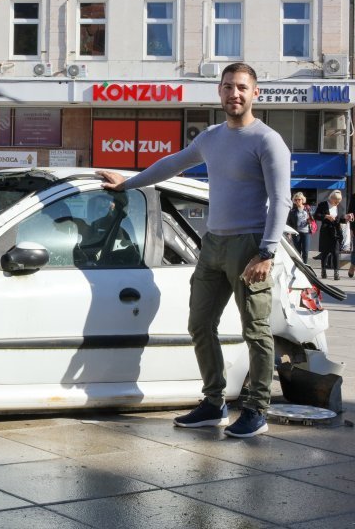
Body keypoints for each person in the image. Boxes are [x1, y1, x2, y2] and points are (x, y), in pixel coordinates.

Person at [97, 62, 291, 438]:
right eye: (228, 87)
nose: (234, 94)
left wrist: (266, 253)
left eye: (242, 88)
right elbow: (172, 164)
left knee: (256, 330)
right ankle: (213, 402)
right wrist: (129, 183)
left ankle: (256, 408)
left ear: (255, 93)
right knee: (200, 325)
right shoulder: (211, 137)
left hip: (250, 244)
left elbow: (281, 200)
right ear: (219, 91)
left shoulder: (268, 140)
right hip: (213, 245)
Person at [313, 190, 352, 280]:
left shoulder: (339, 207)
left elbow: (340, 219)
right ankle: (323, 271)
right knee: (325, 252)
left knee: (336, 252)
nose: (337, 203)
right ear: (331, 198)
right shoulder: (323, 204)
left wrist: (346, 219)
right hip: (326, 230)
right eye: (336, 201)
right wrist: (326, 216)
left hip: (336, 231)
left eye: (339, 201)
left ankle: (336, 273)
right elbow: (316, 216)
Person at [286, 192, 314, 264]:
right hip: (296, 233)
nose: (297, 201)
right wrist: (289, 233)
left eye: (299, 199)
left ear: (302, 200)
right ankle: (299, 265)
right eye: (296, 200)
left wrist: (309, 220)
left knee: (305, 251)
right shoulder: (292, 211)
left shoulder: (307, 208)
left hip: (306, 232)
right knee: (297, 251)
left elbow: (313, 219)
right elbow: (289, 222)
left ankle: (305, 265)